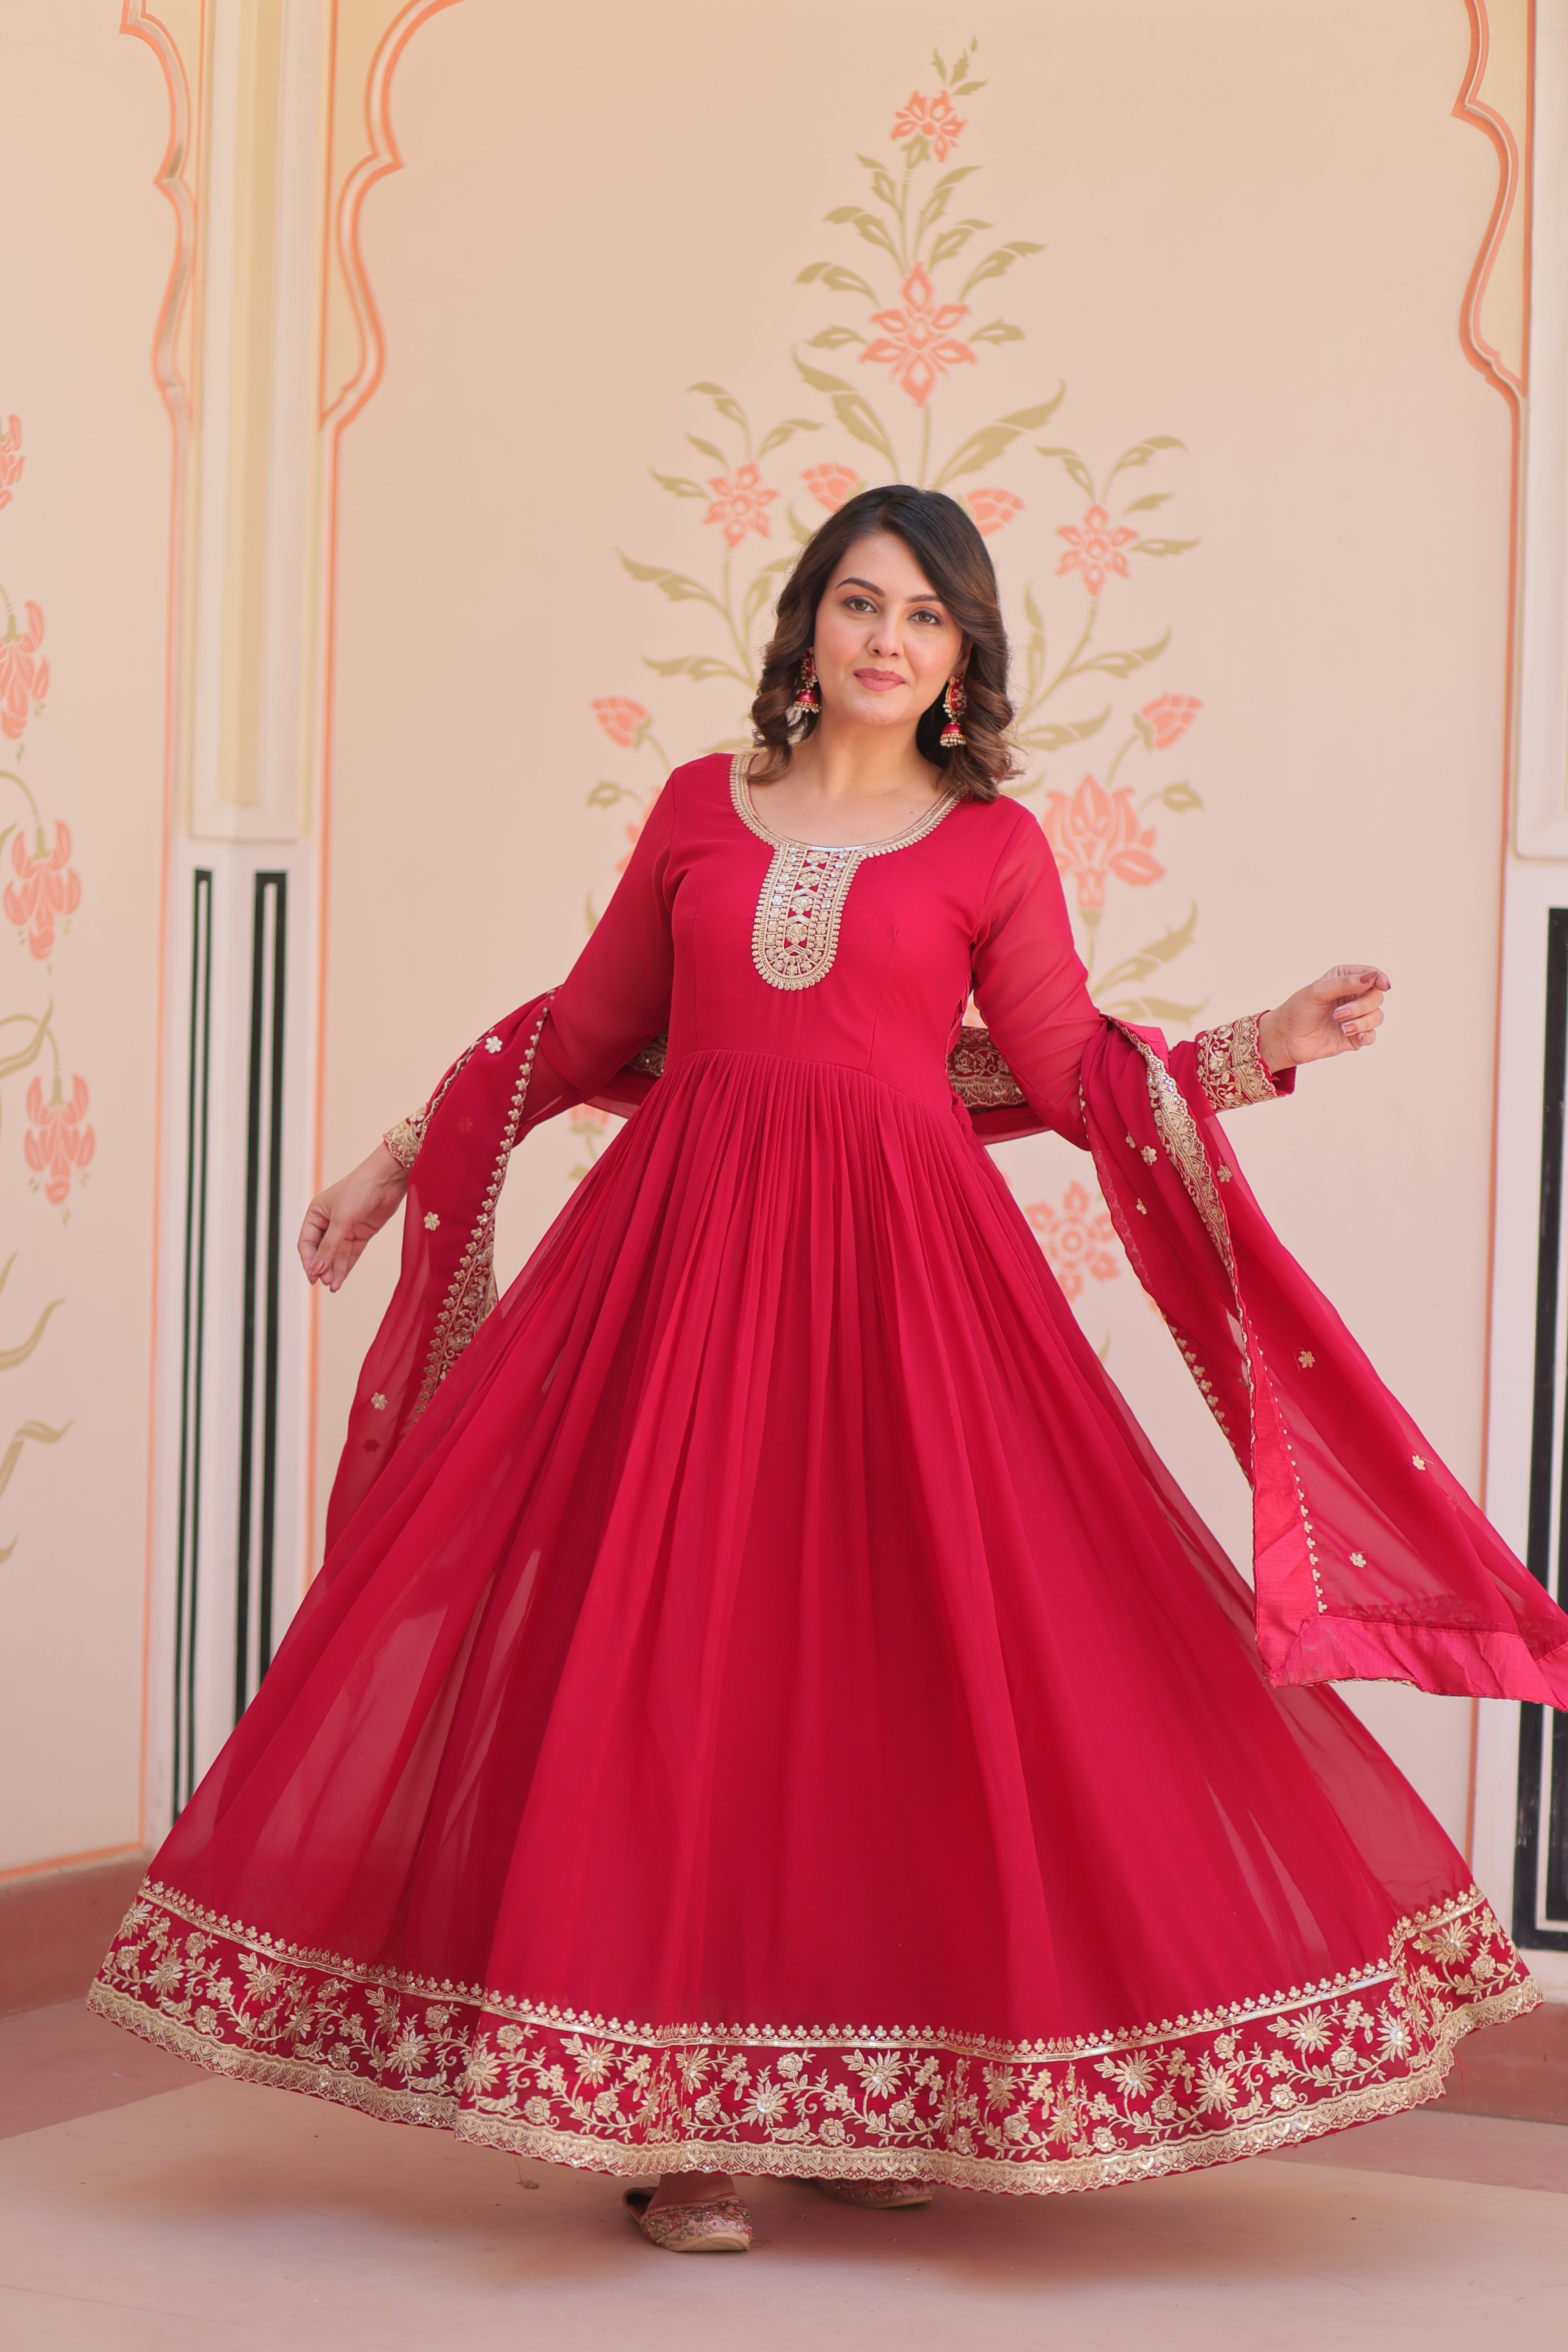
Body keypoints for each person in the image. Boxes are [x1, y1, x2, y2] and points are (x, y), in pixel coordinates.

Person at [93, 488, 1567, 2255]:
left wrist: (1262, 1046)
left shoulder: (990, 851)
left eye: (927, 618)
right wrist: (392, 1159)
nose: (887, 638)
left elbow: (1072, 1074)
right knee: (676, 1660)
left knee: (893, 1662)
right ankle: (676, 2119)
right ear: (803, 629)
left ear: (962, 661)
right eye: (859, 604)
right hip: (679, 1288)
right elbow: (580, 1029)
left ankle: (876, 2079)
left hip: (905, 1297)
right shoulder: (699, 813)